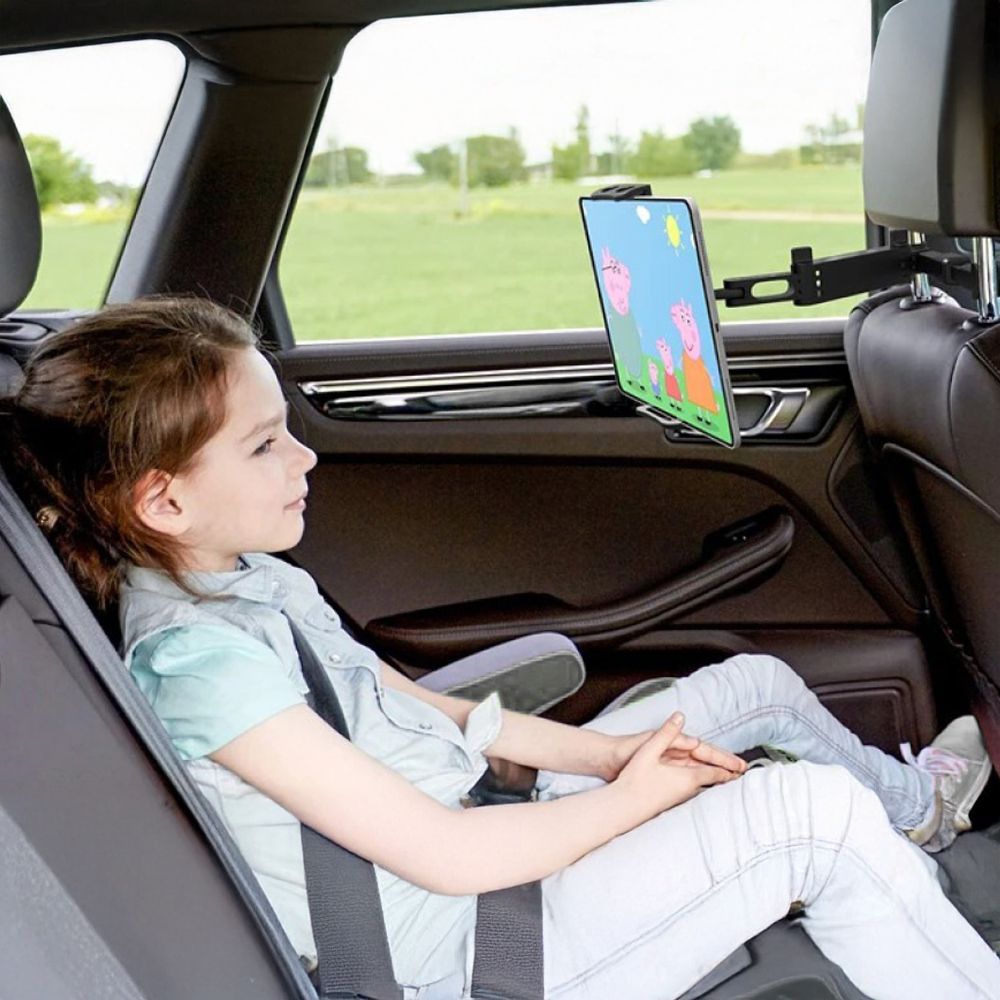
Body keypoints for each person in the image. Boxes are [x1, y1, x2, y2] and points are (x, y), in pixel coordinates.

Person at [3, 296, 998, 1000]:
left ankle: (916, 814)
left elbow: (408, 701)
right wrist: (636, 799)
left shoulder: (246, 578)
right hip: (469, 950)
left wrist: (607, 756)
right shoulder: (198, 665)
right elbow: (442, 858)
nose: (304, 455)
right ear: (163, 501)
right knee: (809, 816)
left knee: (751, 685)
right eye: (265, 444)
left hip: (483, 829)